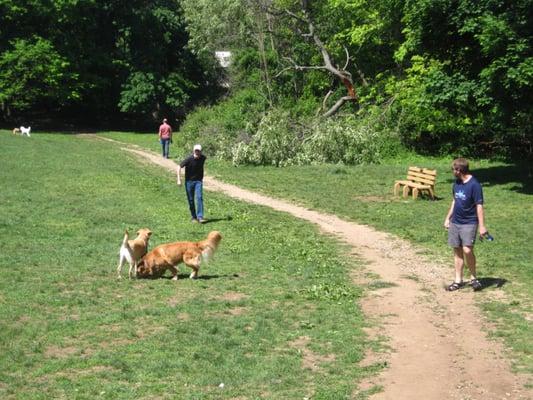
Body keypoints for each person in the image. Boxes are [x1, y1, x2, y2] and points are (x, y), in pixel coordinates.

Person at [444, 158, 487, 291]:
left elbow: (479, 206)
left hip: (469, 222)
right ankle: (458, 280)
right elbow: (454, 201)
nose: (452, 171)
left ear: (459, 170)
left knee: (467, 250)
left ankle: (474, 278)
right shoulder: (456, 183)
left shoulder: (475, 185)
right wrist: (447, 218)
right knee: (457, 250)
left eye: (453, 169)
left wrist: (482, 226)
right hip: (455, 222)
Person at [177, 144, 207, 223]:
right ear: (193, 151)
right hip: (189, 182)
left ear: (201, 151)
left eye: (199, 151)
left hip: (198, 181)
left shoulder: (203, 158)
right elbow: (179, 167)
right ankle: (194, 217)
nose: (197, 152)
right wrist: (179, 179)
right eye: (196, 150)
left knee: (199, 197)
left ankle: (200, 217)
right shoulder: (189, 159)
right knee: (191, 200)